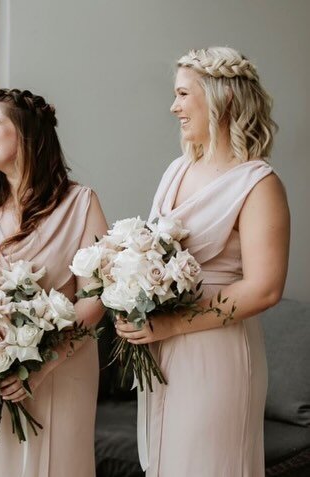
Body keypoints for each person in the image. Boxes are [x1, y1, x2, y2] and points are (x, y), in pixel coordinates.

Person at [115, 46, 290, 476]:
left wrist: (175, 323)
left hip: (217, 348)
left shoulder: (259, 183)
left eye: (182, 94)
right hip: (163, 346)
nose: (173, 107)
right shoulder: (176, 169)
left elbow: (265, 288)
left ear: (221, 98)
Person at [0, 88, 107, 476]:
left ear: (27, 133)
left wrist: (43, 363)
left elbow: (94, 298)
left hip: (62, 368)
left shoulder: (81, 203)